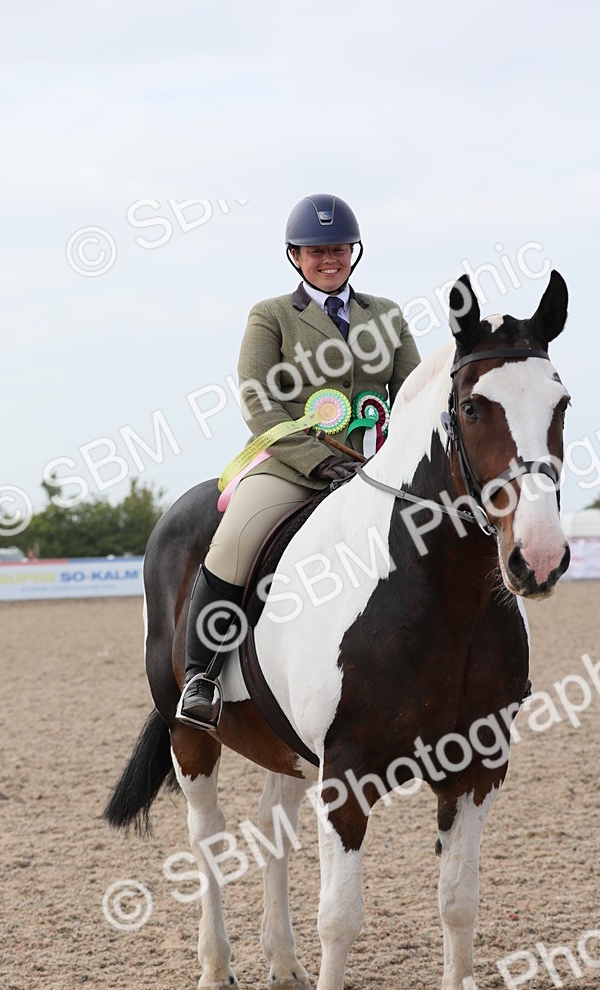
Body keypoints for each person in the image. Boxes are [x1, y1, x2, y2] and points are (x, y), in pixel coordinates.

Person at [177, 193, 421, 730]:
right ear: (295, 255)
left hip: (376, 468)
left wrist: (394, 457)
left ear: (353, 252)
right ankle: (202, 676)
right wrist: (314, 459)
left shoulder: (387, 315)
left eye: (337, 248)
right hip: (292, 465)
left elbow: (413, 396)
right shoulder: (271, 316)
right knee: (235, 542)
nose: (328, 258)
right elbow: (257, 398)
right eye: (316, 251)